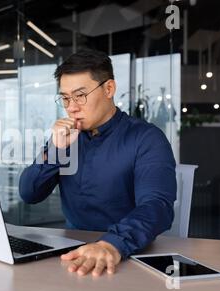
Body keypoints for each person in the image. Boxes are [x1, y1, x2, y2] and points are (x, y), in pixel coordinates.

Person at [19, 50, 176, 277]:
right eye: (65, 98)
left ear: (109, 89)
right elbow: (29, 193)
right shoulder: (66, 137)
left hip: (126, 253)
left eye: (80, 95)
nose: (71, 107)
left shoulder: (147, 138)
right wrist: (56, 150)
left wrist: (110, 244)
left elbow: (157, 206)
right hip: (72, 251)